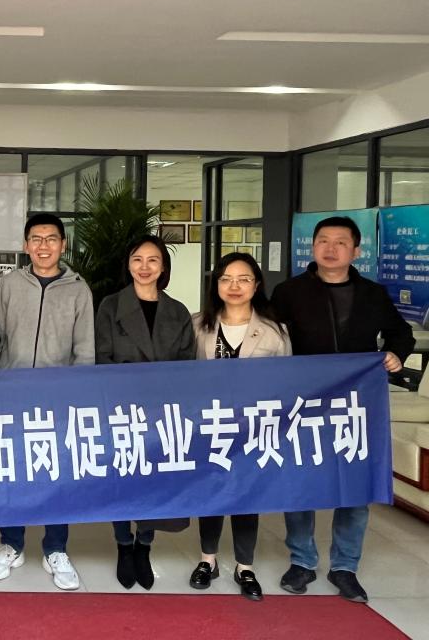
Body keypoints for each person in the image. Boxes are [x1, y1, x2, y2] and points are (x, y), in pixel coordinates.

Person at [272, 216, 414, 603]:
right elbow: (270, 337)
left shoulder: (372, 294)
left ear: (356, 250)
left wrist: (395, 355)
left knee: (354, 485)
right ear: (313, 246)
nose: (330, 248)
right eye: (323, 240)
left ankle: (345, 567)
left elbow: (401, 333)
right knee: (301, 483)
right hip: (302, 404)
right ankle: (302, 561)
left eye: (340, 242)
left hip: (356, 404)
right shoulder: (289, 292)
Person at [0, 213, 94, 591]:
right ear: (25, 245)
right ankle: (11, 544)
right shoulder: (10, 285)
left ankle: (55, 548)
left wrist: (77, 399)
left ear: (63, 245)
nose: (43, 246)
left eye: (51, 239)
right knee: (13, 472)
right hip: (12, 395)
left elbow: (85, 349)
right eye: (36, 239)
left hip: (58, 400)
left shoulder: (79, 290)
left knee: (57, 475)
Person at [189, 252, 291, 601]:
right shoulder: (197, 325)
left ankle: (244, 566)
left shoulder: (275, 332)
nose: (234, 286)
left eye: (243, 279)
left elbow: (286, 384)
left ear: (256, 285)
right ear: (216, 284)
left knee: (247, 496)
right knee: (211, 494)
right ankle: (208, 560)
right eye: (226, 279)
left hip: (254, 429)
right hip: (209, 426)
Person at [95, 234, 195, 590]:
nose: (144, 267)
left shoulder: (178, 312)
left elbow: (186, 364)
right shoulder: (110, 306)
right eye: (137, 259)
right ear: (128, 264)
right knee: (123, 478)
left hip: (162, 411)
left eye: (153, 260)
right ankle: (123, 545)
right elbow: (101, 358)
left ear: (163, 267)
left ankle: (144, 545)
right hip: (122, 408)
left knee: (154, 480)